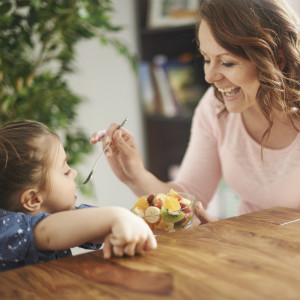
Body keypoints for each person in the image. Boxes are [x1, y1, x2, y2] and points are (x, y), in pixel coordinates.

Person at [91, 0, 300, 222]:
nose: (209, 76)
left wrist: (228, 233)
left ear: (278, 59)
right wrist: (134, 175)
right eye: (207, 59)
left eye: (227, 63)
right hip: (246, 250)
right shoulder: (215, 106)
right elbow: (188, 198)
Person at [0, 120, 157, 272]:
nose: (74, 172)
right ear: (33, 199)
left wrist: (133, 220)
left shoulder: (60, 215)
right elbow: (47, 232)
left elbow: (93, 227)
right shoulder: (8, 228)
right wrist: (117, 216)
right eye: (66, 171)